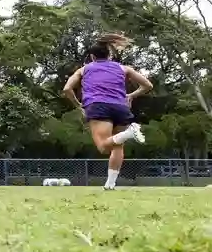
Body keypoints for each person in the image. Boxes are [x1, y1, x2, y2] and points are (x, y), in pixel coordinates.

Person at [61, 35, 151, 190]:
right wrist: (131, 96)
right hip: (120, 107)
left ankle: (130, 133)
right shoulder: (123, 68)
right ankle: (110, 184)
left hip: (97, 106)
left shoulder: (84, 69)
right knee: (117, 145)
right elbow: (147, 85)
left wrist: (78, 105)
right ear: (109, 55)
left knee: (103, 147)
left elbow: (67, 89)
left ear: (92, 57)